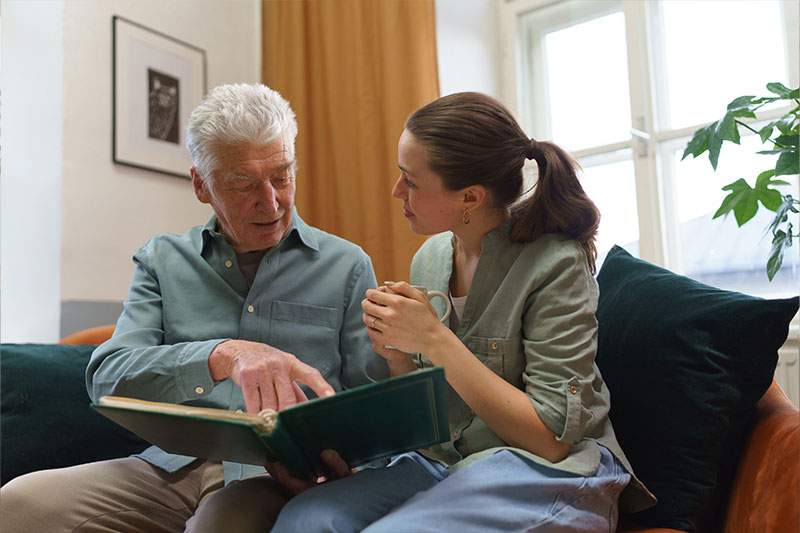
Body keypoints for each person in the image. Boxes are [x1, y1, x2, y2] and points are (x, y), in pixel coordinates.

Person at [0, 83, 388, 532]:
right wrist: (220, 355)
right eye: (244, 184)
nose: (271, 201)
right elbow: (107, 376)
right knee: (17, 502)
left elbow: (371, 403)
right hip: (169, 468)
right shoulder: (162, 260)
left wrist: (333, 461)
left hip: (276, 477)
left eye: (281, 176)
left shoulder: (347, 265)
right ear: (202, 185)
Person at [271, 92, 657, 532]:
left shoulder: (556, 264)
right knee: (306, 519)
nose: (397, 191)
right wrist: (399, 355)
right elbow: (435, 417)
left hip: (548, 468)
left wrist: (435, 339)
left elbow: (550, 439)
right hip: (450, 463)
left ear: (470, 197)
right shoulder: (431, 258)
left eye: (411, 181)